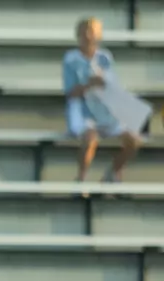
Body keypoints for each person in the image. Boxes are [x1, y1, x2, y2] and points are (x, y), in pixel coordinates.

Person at [65, 17, 145, 183]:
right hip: (82, 111)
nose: (89, 36)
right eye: (85, 31)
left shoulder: (105, 58)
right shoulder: (71, 59)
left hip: (104, 110)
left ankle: (114, 172)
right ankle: (81, 179)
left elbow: (114, 89)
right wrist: (89, 85)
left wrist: (104, 83)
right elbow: (70, 93)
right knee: (90, 138)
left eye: (92, 32)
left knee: (134, 140)